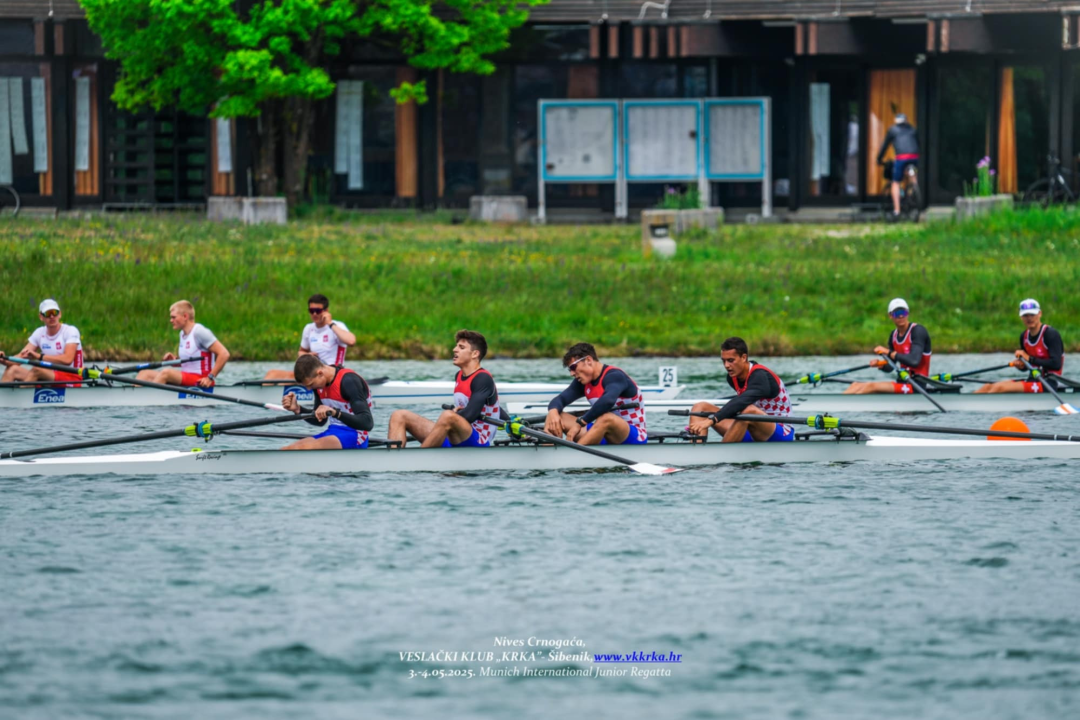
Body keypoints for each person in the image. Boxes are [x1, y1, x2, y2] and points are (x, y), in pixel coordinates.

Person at [387, 330, 500, 448]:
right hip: (457, 436)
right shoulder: (459, 376)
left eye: (461, 347)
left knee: (448, 416)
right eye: (456, 346)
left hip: (478, 439)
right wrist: (509, 419)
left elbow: (470, 415)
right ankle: (394, 462)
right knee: (399, 415)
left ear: (475, 354)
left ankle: (419, 460)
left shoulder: (482, 378)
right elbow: (493, 407)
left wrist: (455, 413)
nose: (454, 349)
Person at [686, 337, 794, 443]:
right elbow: (738, 405)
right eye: (723, 361)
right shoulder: (732, 378)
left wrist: (711, 420)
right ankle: (696, 452)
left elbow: (742, 401)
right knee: (699, 407)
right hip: (750, 428)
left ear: (743, 357)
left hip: (779, 432)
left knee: (748, 410)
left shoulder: (760, 376)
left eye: (731, 360)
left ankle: (720, 456)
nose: (726, 366)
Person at [543, 344, 648, 446]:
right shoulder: (583, 382)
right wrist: (553, 412)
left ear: (588, 360)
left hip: (632, 435)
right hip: (601, 433)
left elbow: (607, 401)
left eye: (573, 367)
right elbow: (560, 399)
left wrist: (579, 423)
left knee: (606, 418)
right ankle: (548, 453)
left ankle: (573, 455)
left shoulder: (615, 376)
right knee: (555, 415)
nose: (572, 373)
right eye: (570, 369)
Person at [280, 355, 374, 449]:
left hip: (356, 436)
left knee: (302, 448)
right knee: (287, 449)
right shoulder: (319, 386)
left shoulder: (349, 381)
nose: (309, 389)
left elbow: (367, 423)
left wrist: (335, 413)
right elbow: (320, 421)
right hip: (333, 432)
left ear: (320, 373)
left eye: (310, 384)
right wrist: (298, 409)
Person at [976, 299, 1066, 394]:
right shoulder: (1024, 336)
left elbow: (1056, 364)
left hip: (1049, 384)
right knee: (987, 387)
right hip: (1033, 380)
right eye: (1025, 315)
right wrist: (1021, 365)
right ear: (1021, 317)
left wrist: (1029, 359)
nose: (1029, 318)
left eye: (1032, 314)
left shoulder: (1050, 334)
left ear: (1040, 313)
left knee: (999, 388)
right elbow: (1027, 366)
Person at [845, 298, 932, 395]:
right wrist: (881, 365)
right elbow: (891, 366)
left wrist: (888, 352)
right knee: (855, 385)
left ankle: (839, 406)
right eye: (897, 313)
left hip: (917, 387)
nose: (901, 316)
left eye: (903, 312)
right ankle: (838, 406)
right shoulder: (893, 335)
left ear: (908, 313)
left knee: (871, 386)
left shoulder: (918, 331)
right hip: (903, 383)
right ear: (890, 316)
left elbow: (914, 361)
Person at [135, 300, 230, 388]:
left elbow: (224, 353)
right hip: (187, 378)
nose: (171, 320)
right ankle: (135, 399)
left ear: (185, 316)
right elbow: (192, 362)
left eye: (173, 317)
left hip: (201, 380)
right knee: (144, 374)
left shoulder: (199, 332)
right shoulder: (182, 334)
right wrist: (175, 361)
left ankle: (149, 399)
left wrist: (210, 378)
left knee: (166, 373)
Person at [264, 294, 356, 381]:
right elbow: (301, 352)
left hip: (333, 375)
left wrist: (330, 324)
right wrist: (307, 356)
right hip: (314, 374)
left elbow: (351, 341)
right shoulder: (309, 329)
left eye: (318, 311)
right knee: (272, 374)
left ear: (326, 311)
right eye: (311, 311)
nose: (314, 314)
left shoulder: (337, 326)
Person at [0, 299, 84, 387]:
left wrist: (39, 356)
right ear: (41, 317)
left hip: (72, 378)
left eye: (54, 313)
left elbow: (67, 359)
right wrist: (3, 359)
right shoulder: (39, 333)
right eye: (48, 314)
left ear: (60, 314)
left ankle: (23, 399)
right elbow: (18, 359)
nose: (52, 317)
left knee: (37, 370)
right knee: (12, 370)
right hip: (49, 377)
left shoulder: (70, 331)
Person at [877, 113, 919, 218]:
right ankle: (914, 190)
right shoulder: (912, 129)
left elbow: (885, 145)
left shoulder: (893, 130)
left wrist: (879, 159)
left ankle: (897, 211)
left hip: (902, 158)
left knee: (895, 183)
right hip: (914, 157)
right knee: (912, 175)